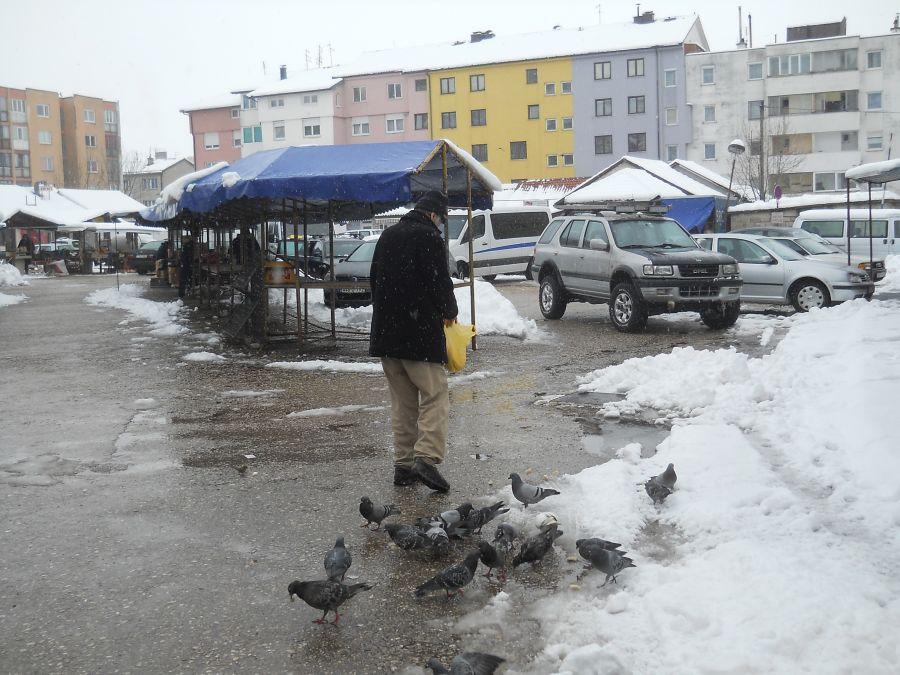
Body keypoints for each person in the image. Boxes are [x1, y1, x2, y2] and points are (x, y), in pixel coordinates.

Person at [369, 190, 458, 492]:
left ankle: (403, 466)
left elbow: (374, 279)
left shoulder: (388, 235)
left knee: (403, 403)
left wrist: (388, 313)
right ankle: (426, 458)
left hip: (387, 335)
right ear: (434, 215)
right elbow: (438, 279)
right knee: (436, 394)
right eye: (442, 220)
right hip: (418, 334)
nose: (441, 226)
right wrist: (449, 311)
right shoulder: (428, 237)